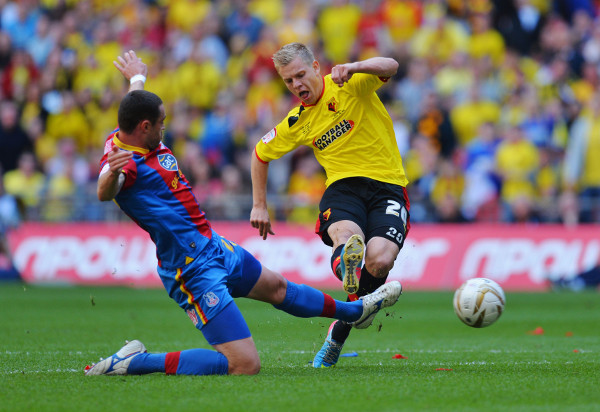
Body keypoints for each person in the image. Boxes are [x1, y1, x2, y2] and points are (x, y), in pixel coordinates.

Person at [85, 50, 402, 377]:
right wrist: (111, 174)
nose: (165, 128)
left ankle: (354, 310)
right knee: (244, 365)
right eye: (161, 123)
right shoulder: (126, 164)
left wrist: (136, 78)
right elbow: (104, 191)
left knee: (278, 288)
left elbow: (133, 105)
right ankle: (135, 362)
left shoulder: (130, 132)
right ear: (144, 127)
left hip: (213, 246)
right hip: (191, 269)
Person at [249, 42, 410, 368]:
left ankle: (340, 329)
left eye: (300, 75)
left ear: (316, 67)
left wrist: (356, 66)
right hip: (343, 188)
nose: (296, 86)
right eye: (288, 81)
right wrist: (259, 205)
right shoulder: (298, 120)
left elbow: (391, 64)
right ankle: (345, 264)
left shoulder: (351, 83)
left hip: (388, 187)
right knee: (347, 237)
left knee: (380, 261)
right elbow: (259, 154)